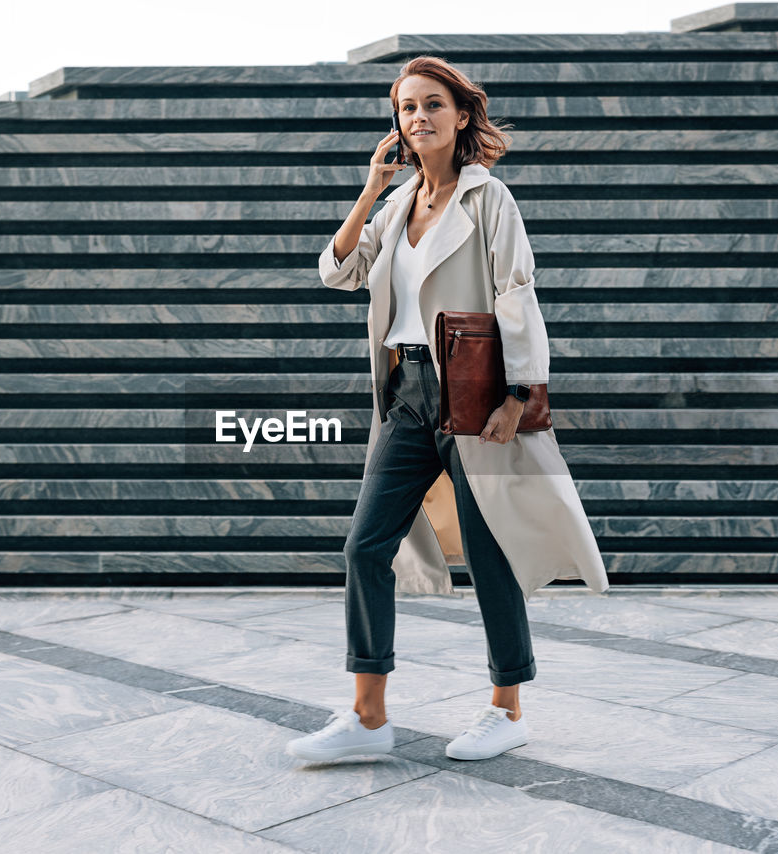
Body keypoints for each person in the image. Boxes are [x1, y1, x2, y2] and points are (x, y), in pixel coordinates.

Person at [287, 56, 597, 764]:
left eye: (432, 105)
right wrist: (372, 187)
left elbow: (517, 294)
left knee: (491, 557)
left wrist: (520, 397)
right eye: (406, 108)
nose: (418, 117)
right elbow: (337, 270)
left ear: (461, 117)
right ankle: (369, 717)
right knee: (365, 548)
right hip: (405, 395)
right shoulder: (397, 206)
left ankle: (507, 706)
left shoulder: (490, 200)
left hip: (474, 395)